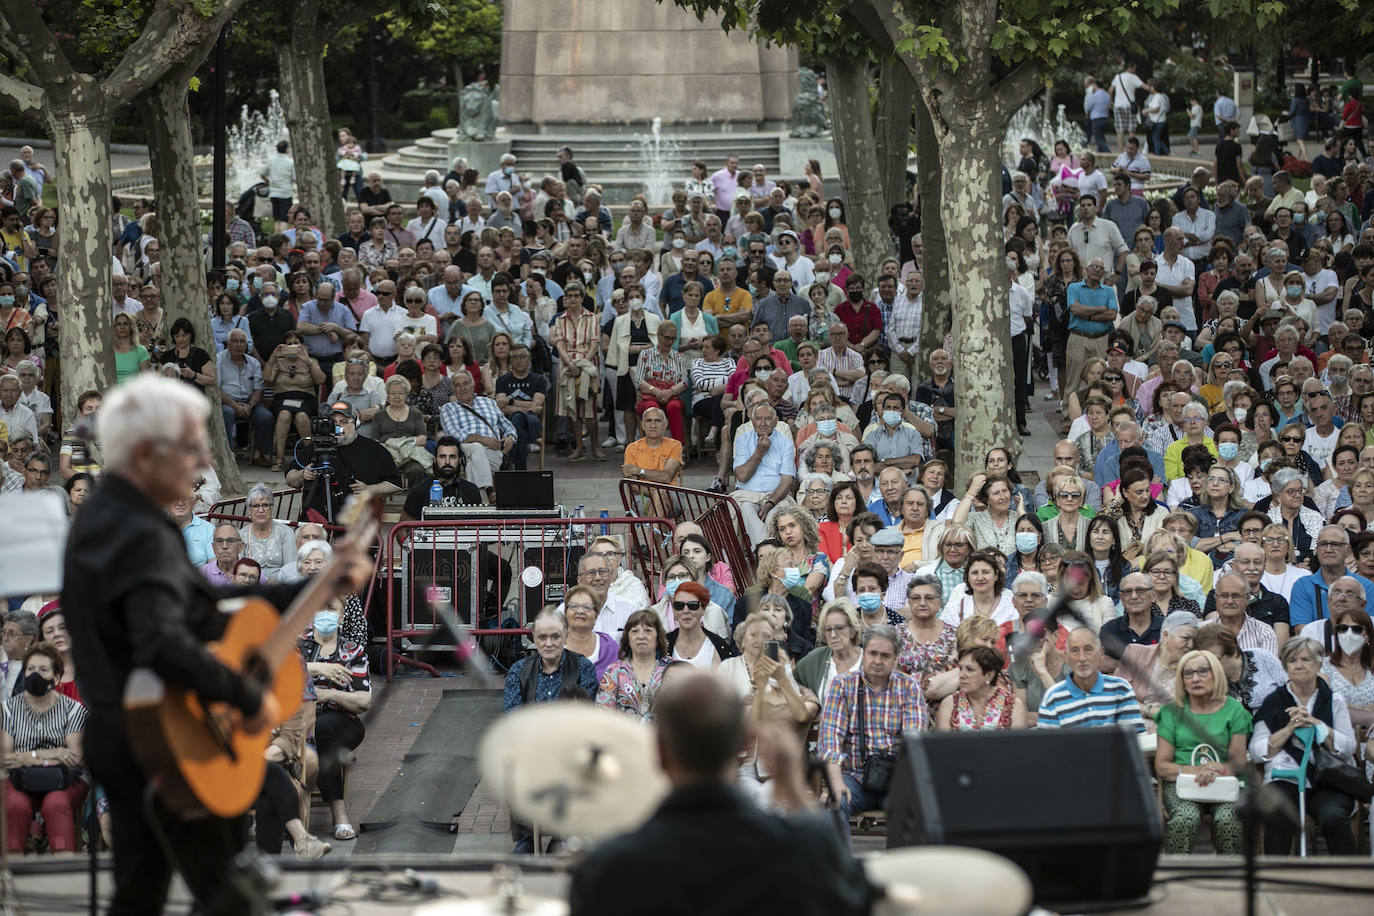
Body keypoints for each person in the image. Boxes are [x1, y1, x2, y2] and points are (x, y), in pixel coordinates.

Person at [61, 376, 372, 915]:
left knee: (155, 887)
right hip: (154, 736)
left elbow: (211, 607)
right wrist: (245, 695)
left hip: (153, 731)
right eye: (191, 444)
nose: (205, 457)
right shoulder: (126, 531)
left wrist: (317, 585)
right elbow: (163, 644)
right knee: (210, 884)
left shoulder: (134, 521)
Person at [570, 669, 871, 916]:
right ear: (743, 744)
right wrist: (793, 791)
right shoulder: (804, 846)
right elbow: (853, 900)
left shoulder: (610, 868)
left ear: (659, 752)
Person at [1251, 636, 1360, 855]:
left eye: (1306, 659)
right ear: (1285, 666)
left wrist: (1318, 725)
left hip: (1328, 780)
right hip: (1285, 779)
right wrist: (1288, 729)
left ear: (1319, 665)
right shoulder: (1273, 702)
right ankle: (1275, 880)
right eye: (1292, 660)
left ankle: (1349, 880)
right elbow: (1256, 752)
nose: (1299, 665)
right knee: (1276, 814)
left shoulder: (1333, 700)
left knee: (1334, 817)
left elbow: (1349, 748)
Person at [818, 624, 928, 831]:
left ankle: (902, 864)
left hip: (895, 777)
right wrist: (835, 782)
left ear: (896, 659)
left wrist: (907, 787)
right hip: (854, 776)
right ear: (863, 653)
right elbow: (830, 739)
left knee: (916, 808)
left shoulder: (909, 687)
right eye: (873, 653)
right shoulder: (842, 685)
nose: (877, 661)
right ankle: (842, 864)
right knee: (833, 804)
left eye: (885, 656)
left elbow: (913, 743)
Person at [1154, 648, 1252, 854]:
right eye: (1188, 673)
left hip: (1225, 783)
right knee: (1185, 817)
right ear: (1182, 680)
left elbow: (1238, 762)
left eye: (1202, 671)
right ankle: (1177, 877)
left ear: (1215, 674)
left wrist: (1218, 770)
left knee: (1228, 819)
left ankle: (1230, 878)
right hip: (1182, 785)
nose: (1195, 678)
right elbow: (1162, 766)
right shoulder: (1171, 712)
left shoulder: (1235, 711)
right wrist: (1197, 771)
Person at [2, 642, 87, 854]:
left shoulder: (73, 709)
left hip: (66, 779)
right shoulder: (8, 709)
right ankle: (13, 868)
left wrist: (23, 757)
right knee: (16, 805)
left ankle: (65, 865)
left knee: (55, 803)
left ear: (56, 678)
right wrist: (53, 754)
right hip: (17, 779)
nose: (35, 675)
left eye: (43, 670)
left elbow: (75, 758)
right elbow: (5, 758)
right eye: (30, 669)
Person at [299, 598, 370, 842]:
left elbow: (363, 701)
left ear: (341, 617)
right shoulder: (298, 645)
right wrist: (318, 669)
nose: (325, 614)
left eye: (331, 609)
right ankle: (339, 815)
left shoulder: (352, 650)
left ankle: (334, 815)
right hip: (298, 721)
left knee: (323, 729)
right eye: (320, 608)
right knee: (321, 734)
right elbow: (276, 673)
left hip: (343, 720)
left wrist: (327, 694)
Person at [284, 401, 401, 523]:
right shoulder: (315, 447)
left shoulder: (374, 449)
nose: (338, 427)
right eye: (333, 422)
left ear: (356, 423)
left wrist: (370, 489)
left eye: (344, 422)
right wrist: (302, 474)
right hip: (317, 525)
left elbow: (396, 484)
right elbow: (289, 478)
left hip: (357, 525)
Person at [1036, 628, 1145, 729]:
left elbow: (1134, 740)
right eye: (1075, 651)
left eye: (1088, 649)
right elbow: (1047, 747)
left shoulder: (1121, 689)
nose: (1082, 658)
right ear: (1067, 658)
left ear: (1101, 654)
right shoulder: (1052, 697)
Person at [438, 369, 516, 504]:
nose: (462, 388)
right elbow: (453, 435)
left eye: (465, 383)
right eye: (457, 385)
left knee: (471, 465)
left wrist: (510, 437)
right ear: (453, 390)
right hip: (464, 450)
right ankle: (490, 490)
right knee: (475, 447)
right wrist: (481, 439)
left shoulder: (490, 403)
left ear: (473, 385)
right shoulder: (448, 408)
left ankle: (473, 502)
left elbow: (507, 425)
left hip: (493, 453)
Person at [595, 609, 671, 722]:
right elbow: (602, 714)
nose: (641, 636)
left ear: (658, 638)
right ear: (628, 638)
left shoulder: (671, 668)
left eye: (648, 631)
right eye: (635, 631)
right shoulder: (614, 671)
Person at [935, 645, 1026, 730]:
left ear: (989, 675)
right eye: (961, 669)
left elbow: (1018, 745)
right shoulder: (950, 704)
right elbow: (942, 746)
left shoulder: (1012, 704)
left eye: (970, 670)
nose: (962, 675)